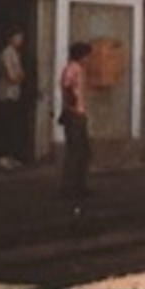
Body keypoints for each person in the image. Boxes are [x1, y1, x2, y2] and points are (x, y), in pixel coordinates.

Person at [59, 41, 92, 203]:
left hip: (78, 112)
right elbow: (67, 86)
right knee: (76, 151)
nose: (88, 59)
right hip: (75, 114)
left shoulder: (75, 68)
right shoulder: (74, 69)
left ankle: (78, 185)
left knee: (82, 152)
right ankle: (72, 187)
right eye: (87, 56)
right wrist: (72, 104)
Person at [0, 27, 27, 170]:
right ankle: (3, 158)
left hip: (13, 94)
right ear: (11, 38)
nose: (20, 40)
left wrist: (19, 76)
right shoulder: (7, 53)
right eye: (18, 37)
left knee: (13, 126)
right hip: (6, 93)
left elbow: (21, 75)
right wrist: (18, 77)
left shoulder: (15, 53)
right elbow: (12, 76)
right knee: (6, 126)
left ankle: (10, 157)